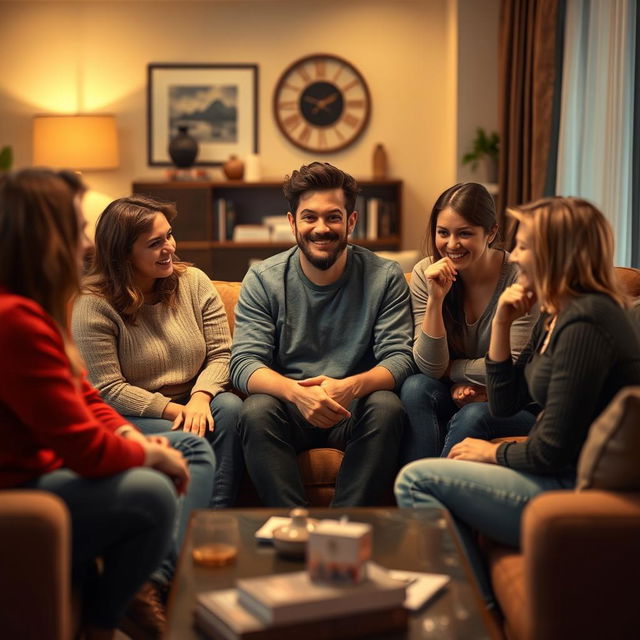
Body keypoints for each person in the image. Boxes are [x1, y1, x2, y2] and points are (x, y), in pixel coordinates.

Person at [0, 169, 216, 640]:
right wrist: (146, 450)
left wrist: (123, 435)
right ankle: (113, 617)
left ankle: (147, 585)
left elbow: (82, 396)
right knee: (154, 490)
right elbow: (85, 436)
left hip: (54, 462)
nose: (83, 243)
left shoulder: (35, 308)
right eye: (76, 228)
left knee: (196, 446)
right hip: (22, 483)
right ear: (45, 236)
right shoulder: (14, 319)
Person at [395, 196, 640, 605]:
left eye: (524, 246)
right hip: (556, 472)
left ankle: (474, 611)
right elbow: (507, 402)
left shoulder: (588, 322)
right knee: (434, 445)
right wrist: (503, 324)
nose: (516, 256)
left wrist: (491, 455)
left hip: (570, 486)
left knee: (417, 480)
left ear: (556, 253)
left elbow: (551, 450)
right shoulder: (557, 313)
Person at [230, 162, 415, 507]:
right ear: (292, 223)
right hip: (289, 412)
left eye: (333, 217)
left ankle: (344, 527)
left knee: (387, 407)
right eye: (309, 217)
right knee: (255, 411)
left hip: (354, 411)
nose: (321, 228)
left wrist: (349, 387)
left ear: (351, 221)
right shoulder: (263, 279)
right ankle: (294, 527)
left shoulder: (385, 277)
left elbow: (400, 358)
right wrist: (297, 394)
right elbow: (242, 364)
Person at [72, 195, 243, 508]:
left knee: (230, 407)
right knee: (190, 438)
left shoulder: (194, 282)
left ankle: (218, 513)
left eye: (169, 235)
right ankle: (183, 531)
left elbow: (223, 353)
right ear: (123, 253)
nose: (170, 248)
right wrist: (176, 411)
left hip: (194, 398)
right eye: (154, 243)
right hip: (134, 412)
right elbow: (107, 389)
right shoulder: (94, 305)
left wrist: (201, 397)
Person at [400, 182, 537, 463]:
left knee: (473, 413)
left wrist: (455, 371)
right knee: (415, 387)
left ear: (491, 233)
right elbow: (429, 367)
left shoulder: (519, 277)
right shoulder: (426, 272)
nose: (451, 245)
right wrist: (435, 300)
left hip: (514, 398)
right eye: (443, 233)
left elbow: (512, 365)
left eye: (464, 233)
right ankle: (420, 492)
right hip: (456, 391)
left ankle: (429, 491)